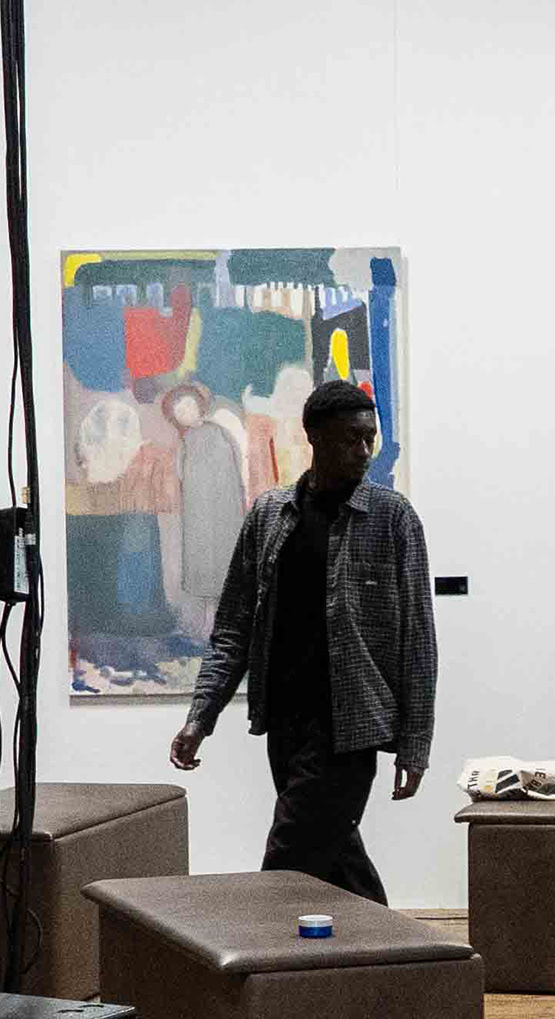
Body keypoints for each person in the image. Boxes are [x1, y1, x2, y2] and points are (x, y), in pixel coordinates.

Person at [168, 379, 432, 902]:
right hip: (285, 722)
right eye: (350, 439)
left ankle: (255, 947)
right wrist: (201, 717)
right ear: (315, 437)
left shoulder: (392, 517)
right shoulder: (270, 515)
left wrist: (415, 744)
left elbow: (418, 641)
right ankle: (394, 946)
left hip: (351, 725)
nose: (364, 451)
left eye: (370, 438)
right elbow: (233, 630)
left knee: (289, 857)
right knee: (334, 856)